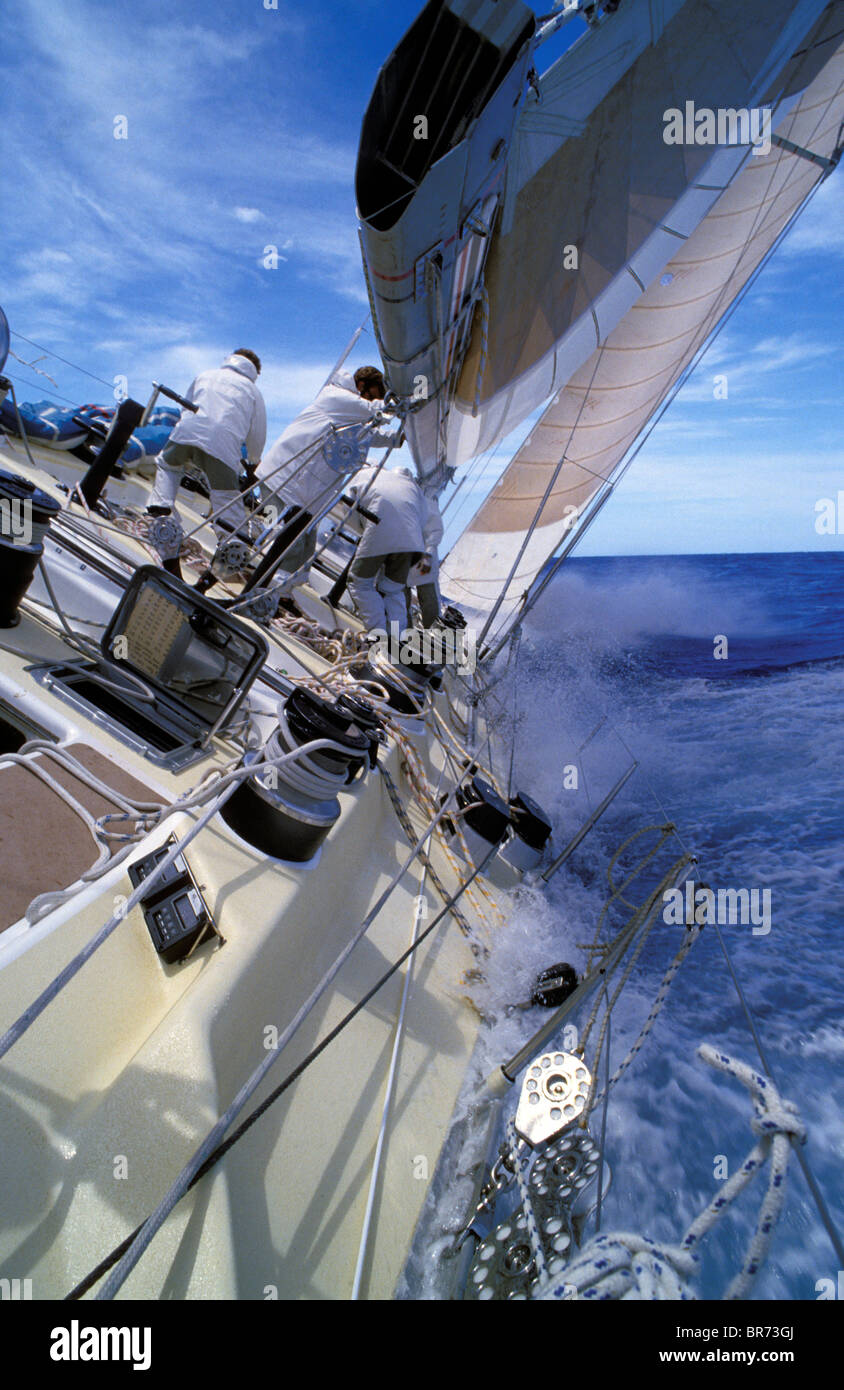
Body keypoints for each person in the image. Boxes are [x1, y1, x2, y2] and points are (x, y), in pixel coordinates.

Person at [253, 366, 397, 578]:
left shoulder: (351, 417)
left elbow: (372, 435)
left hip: (300, 492)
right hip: (280, 482)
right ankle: (261, 588)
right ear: (361, 386)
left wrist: (399, 438)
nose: (370, 400)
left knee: (304, 551)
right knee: (278, 536)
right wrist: (405, 402)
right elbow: (374, 410)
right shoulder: (336, 397)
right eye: (372, 394)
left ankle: (277, 592)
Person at [146, 349, 266, 580]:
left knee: (168, 467)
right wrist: (252, 467)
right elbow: (256, 436)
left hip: (185, 434)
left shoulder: (206, 374)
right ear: (254, 372)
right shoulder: (253, 392)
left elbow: (186, 406)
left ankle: (161, 510)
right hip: (222, 449)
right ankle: (219, 566)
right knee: (227, 507)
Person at [346, 465, 439, 634]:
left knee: (359, 583)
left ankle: (378, 632)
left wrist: (364, 533)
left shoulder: (364, 475)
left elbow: (349, 510)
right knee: (393, 590)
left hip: (382, 529)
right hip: (415, 545)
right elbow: (423, 520)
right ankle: (397, 638)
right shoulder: (416, 492)